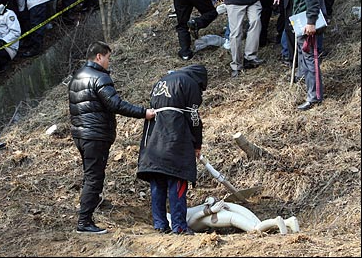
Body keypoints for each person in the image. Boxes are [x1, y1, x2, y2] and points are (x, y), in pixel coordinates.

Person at [68, 41, 155, 234]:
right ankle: (84, 222)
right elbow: (115, 104)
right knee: (94, 177)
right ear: (99, 57)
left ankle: (93, 201)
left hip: (80, 134)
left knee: (90, 173)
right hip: (95, 135)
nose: (109, 62)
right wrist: (144, 112)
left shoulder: (77, 76)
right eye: (108, 57)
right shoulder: (99, 77)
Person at [137, 64, 207, 235]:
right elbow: (193, 116)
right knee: (177, 179)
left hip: (153, 140)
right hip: (175, 140)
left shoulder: (162, 81)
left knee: (158, 182)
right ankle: (179, 226)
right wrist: (197, 144)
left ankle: (160, 224)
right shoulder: (189, 83)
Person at [282, 0, 325, 111]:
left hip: (307, 24)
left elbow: (311, 0)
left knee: (309, 59)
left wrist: (311, 22)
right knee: (304, 58)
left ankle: (314, 96)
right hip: (301, 23)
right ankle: (309, 91)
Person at [168, 196, 300, 234]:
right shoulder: (186, 222)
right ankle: (282, 222)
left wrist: (210, 202)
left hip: (219, 210)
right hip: (215, 215)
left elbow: (196, 213)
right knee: (254, 227)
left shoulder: (180, 216)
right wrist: (210, 210)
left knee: (255, 225)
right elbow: (194, 218)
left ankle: (286, 222)